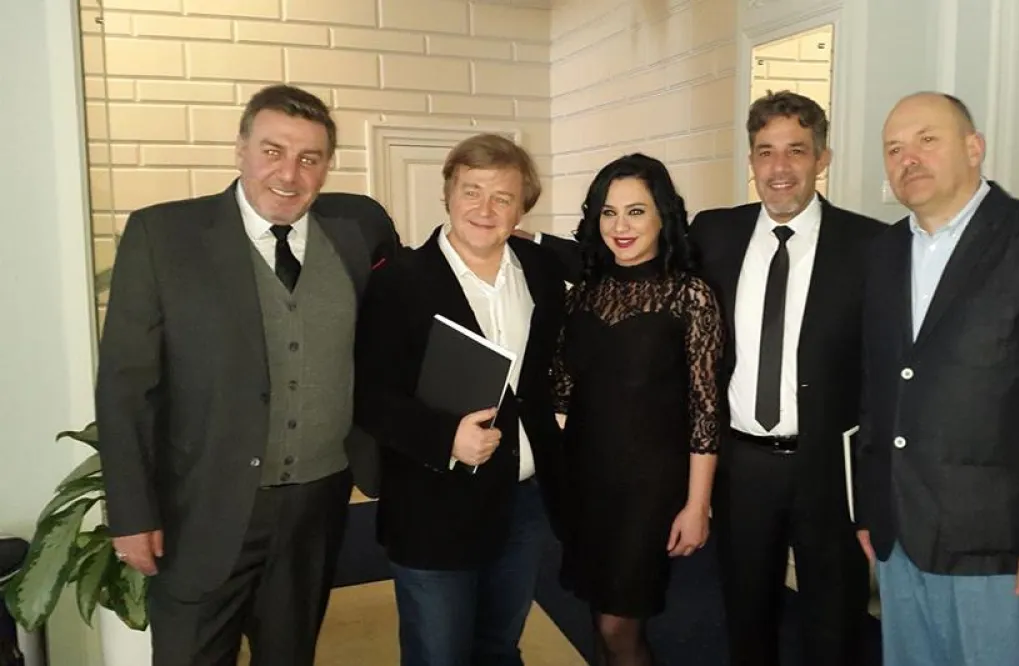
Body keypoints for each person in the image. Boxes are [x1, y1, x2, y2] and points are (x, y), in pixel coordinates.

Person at [536, 90, 883, 665]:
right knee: (745, 616)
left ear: (822, 158)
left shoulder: (870, 243)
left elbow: (887, 370)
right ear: (750, 161)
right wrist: (522, 240)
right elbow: (635, 262)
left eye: (796, 150)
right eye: (765, 151)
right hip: (741, 466)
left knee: (834, 623)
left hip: (826, 469)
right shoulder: (718, 232)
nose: (778, 167)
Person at [95, 83, 400, 665]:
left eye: (309, 158)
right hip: (202, 508)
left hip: (316, 503)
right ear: (240, 149)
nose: (289, 173)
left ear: (326, 166)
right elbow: (125, 386)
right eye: (272, 151)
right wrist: (131, 514)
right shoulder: (164, 236)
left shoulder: (354, 234)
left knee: (290, 654)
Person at [855, 92, 1019, 666]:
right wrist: (870, 510)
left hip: (1002, 553)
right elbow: (877, 391)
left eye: (927, 140)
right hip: (900, 541)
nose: (908, 158)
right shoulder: (882, 253)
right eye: (894, 149)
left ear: (974, 148)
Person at [353, 133, 570, 666]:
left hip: (521, 503)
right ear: (448, 194)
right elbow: (368, 395)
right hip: (433, 508)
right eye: (471, 191)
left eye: (503, 197)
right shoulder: (399, 280)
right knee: (439, 655)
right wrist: (444, 437)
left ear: (522, 210)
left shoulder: (542, 270)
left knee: (499, 647)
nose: (484, 209)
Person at [551, 154, 723, 665]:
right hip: (586, 480)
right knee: (596, 613)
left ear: (662, 216)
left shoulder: (690, 296)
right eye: (608, 212)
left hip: (650, 488)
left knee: (619, 624)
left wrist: (698, 505)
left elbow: (705, 410)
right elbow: (562, 392)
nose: (620, 227)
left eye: (635, 211)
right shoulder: (583, 294)